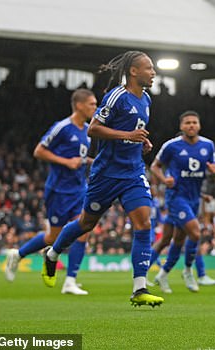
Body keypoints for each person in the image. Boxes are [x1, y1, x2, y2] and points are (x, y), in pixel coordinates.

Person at [40, 50, 164, 307]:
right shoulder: (116, 97)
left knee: (143, 224)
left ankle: (139, 288)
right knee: (85, 223)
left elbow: (133, 132)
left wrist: (141, 141)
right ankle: (52, 254)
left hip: (133, 172)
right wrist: (127, 135)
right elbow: (94, 129)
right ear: (133, 71)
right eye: (148, 68)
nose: (153, 73)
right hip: (106, 174)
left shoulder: (147, 100)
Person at [5, 89, 97, 295]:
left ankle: (70, 281)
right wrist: (65, 162)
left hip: (79, 188)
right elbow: (39, 151)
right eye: (92, 104)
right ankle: (18, 255)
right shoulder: (62, 127)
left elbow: (81, 158)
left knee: (83, 231)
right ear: (79, 105)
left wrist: (95, 162)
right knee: (52, 237)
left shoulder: (87, 130)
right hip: (59, 190)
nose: (95, 108)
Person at [149, 111, 215, 293]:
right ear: (181, 126)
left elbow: (213, 174)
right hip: (176, 198)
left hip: (194, 199)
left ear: (199, 125)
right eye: (187, 123)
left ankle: (162, 274)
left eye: (194, 122)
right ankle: (189, 271)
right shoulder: (171, 146)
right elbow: (154, 166)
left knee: (177, 240)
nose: (191, 125)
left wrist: (214, 173)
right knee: (195, 233)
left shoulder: (208, 145)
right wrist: (164, 180)